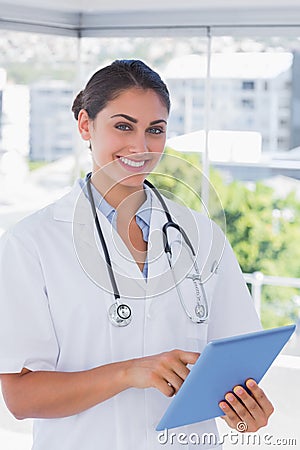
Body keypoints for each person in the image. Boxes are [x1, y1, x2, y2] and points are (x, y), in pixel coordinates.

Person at [0, 59, 273, 450]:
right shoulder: (32, 243)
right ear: (85, 125)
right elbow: (21, 398)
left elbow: (236, 370)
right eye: (123, 126)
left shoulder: (201, 236)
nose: (140, 147)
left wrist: (246, 415)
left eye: (155, 130)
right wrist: (129, 372)